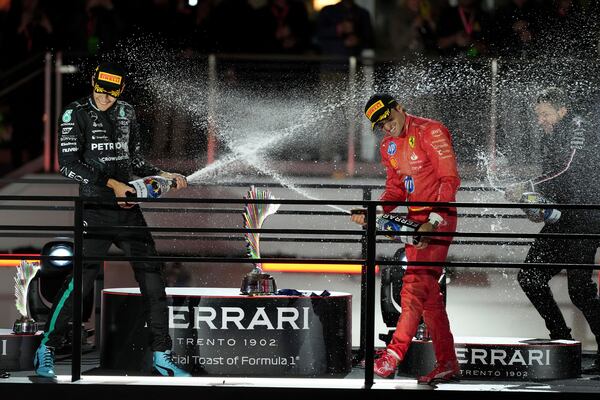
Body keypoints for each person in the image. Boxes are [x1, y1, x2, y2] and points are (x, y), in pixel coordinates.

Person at [33, 61, 191, 378]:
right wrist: (112, 185)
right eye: (102, 92)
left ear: (120, 90)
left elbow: (132, 158)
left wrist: (162, 174)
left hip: (129, 210)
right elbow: (67, 164)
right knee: (80, 283)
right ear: (93, 82)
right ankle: (45, 350)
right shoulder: (73, 113)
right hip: (95, 209)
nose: (106, 99)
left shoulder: (126, 112)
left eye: (112, 94)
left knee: (153, 280)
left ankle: (161, 355)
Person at [353, 93, 461, 384]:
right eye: (380, 125)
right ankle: (448, 362)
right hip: (415, 225)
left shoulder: (431, 130)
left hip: (438, 221)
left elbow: (449, 179)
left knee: (413, 289)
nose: (387, 127)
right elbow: (395, 191)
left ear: (400, 108)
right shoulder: (388, 146)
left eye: (388, 119)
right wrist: (373, 211)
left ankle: (392, 356)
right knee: (428, 299)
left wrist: (434, 221)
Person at [505, 87, 600, 374]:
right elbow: (554, 183)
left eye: (545, 114)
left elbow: (568, 168)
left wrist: (529, 187)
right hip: (562, 220)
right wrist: (534, 206)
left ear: (562, 111)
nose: (541, 120)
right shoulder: (551, 137)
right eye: (538, 115)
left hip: (585, 220)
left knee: (581, 291)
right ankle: (561, 340)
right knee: (531, 277)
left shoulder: (577, 129)